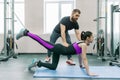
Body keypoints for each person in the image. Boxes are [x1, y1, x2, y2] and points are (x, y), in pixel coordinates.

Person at [16, 28, 97, 76]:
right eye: (92, 37)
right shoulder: (84, 45)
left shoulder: (81, 43)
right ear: (87, 38)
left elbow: (80, 55)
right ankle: (26, 32)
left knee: (53, 67)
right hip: (57, 48)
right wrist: (88, 72)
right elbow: (85, 58)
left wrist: (80, 65)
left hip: (59, 50)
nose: (93, 38)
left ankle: (38, 63)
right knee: (41, 41)